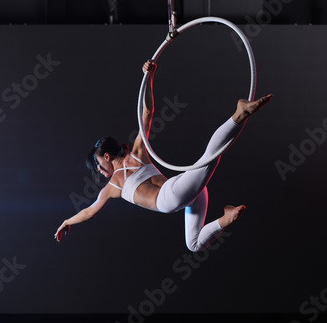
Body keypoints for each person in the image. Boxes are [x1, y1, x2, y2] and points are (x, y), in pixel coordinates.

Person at [54, 60, 273, 251]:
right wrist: (148, 77)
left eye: (98, 165)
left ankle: (239, 113)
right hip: (187, 193)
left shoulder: (113, 186)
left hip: (175, 196)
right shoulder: (138, 152)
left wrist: (148, 77)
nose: (100, 172)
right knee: (194, 244)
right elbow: (147, 113)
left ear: (107, 156)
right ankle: (227, 217)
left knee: (211, 157)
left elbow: (90, 212)